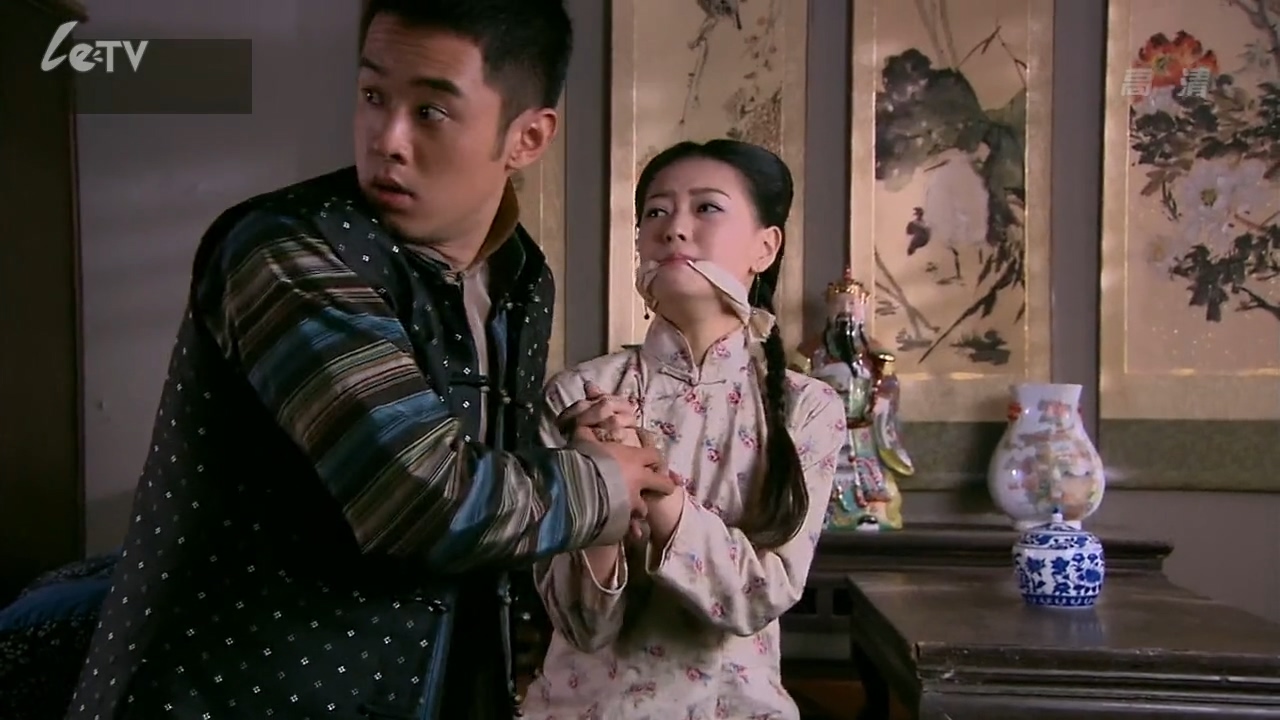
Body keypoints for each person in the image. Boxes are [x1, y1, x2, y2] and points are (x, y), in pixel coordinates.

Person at [64, 2, 676, 719]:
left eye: (431, 112)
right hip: (235, 693)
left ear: (527, 137)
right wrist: (601, 482)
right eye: (373, 96)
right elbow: (419, 498)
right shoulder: (286, 251)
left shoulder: (520, 274)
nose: (387, 139)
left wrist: (576, 448)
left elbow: (490, 511)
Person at [520, 139, 846, 720]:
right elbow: (580, 624)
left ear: (765, 247)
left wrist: (652, 488)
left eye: (707, 208)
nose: (673, 229)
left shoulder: (809, 408)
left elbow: (758, 598)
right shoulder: (577, 397)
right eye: (656, 212)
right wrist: (599, 490)